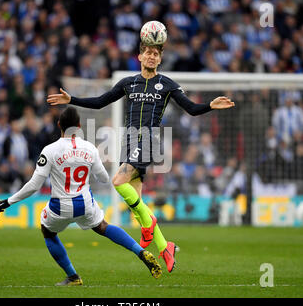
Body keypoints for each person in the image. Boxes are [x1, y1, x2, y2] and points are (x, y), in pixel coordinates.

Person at [47, 42, 235, 272]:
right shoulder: (128, 83)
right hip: (128, 141)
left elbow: (192, 109)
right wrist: (72, 100)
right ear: (140, 56)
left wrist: (210, 106)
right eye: (148, 52)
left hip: (147, 140)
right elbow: (100, 102)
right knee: (137, 202)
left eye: (156, 54)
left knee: (117, 182)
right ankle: (165, 246)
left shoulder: (167, 84)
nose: (151, 56)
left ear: (160, 59)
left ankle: (149, 223)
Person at [0, 107, 162, 286]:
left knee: (48, 232)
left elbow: (34, 185)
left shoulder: (50, 150)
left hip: (61, 206)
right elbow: (104, 179)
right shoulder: (89, 148)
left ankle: (73, 276)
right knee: (103, 226)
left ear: (59, 125)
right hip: (85, 204)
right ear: (79, 126)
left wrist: (8, 201)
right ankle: (140, 252)